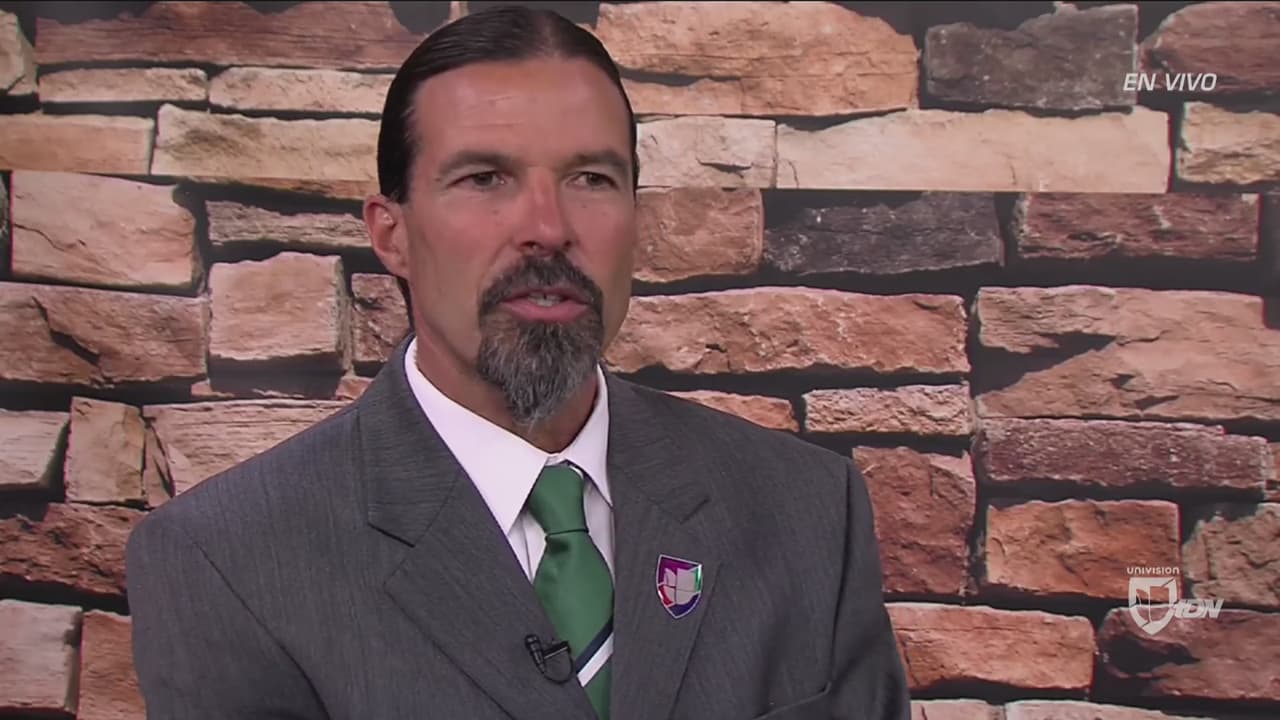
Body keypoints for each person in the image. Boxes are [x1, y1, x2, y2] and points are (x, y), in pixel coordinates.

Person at [125, 5, 911, 719]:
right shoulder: (228, 561)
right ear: (391, 234)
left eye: (590, 178)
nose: (547, 226)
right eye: (485, 178)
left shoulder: (809, 510)